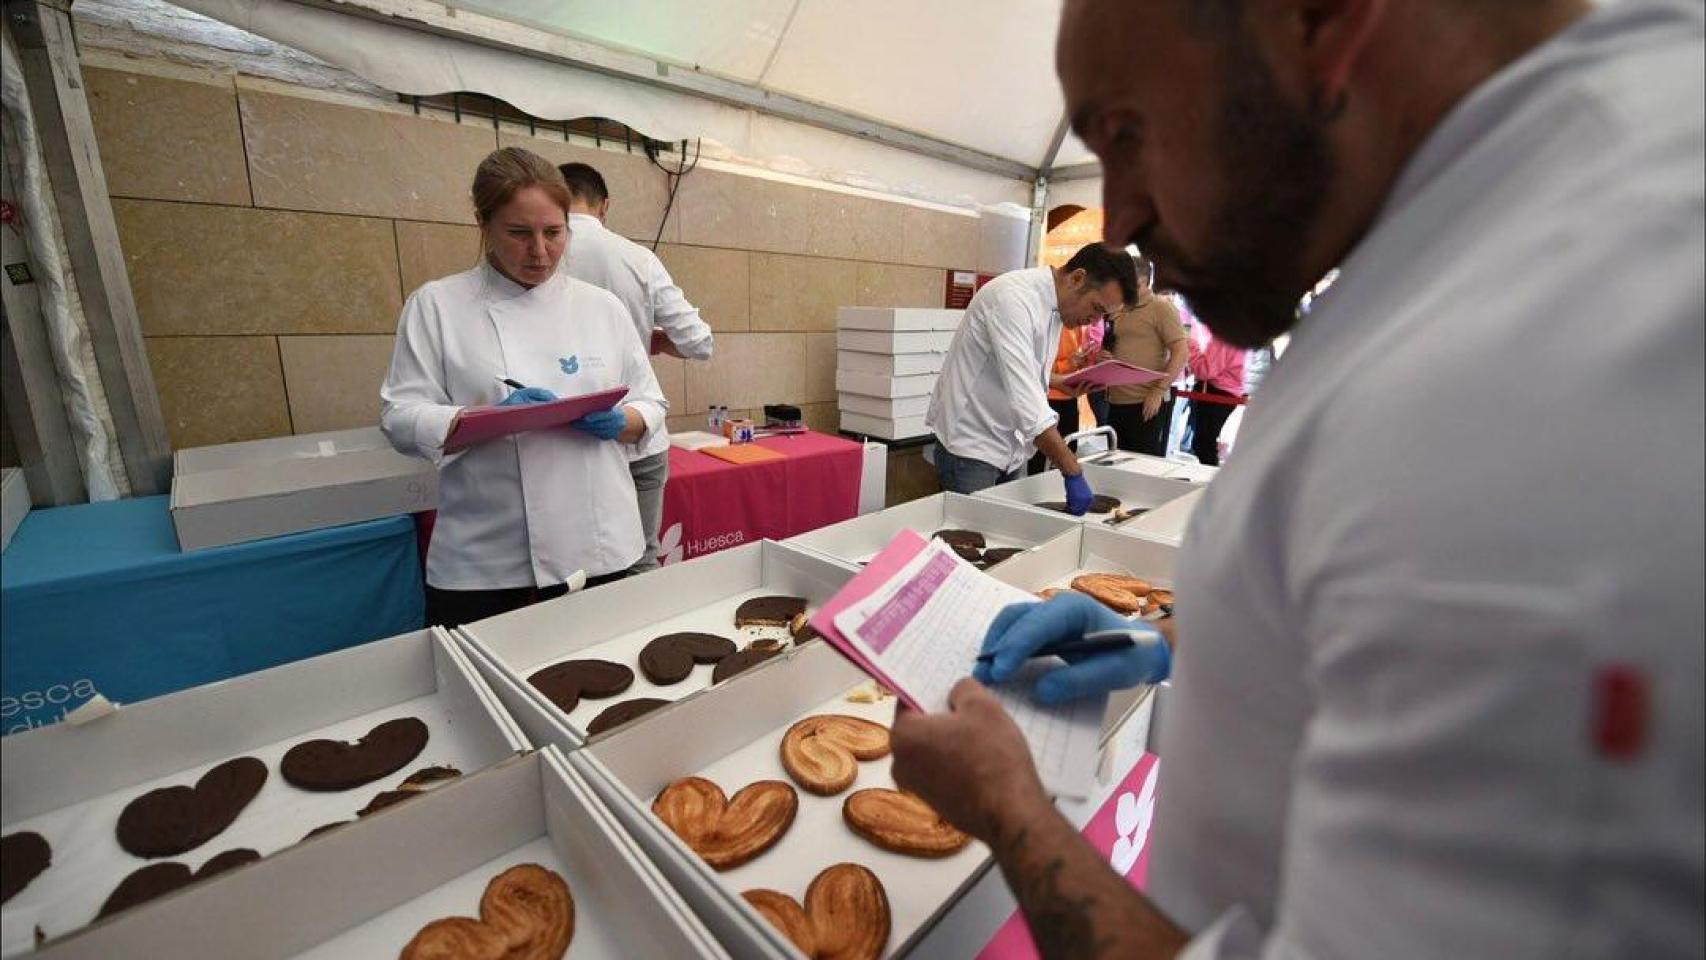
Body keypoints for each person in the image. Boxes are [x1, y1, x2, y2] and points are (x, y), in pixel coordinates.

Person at [892, 1, 1704, 958]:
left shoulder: (1555, 359)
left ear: (1321, 19)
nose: (1121, 217)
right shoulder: (1482, 219)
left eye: (1129, 133)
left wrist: (1011, 811)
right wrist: (1171, 640)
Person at [381, 147, 669, 628]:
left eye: (554, 233)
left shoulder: (602, 307)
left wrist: (624, 421)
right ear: (483, 224)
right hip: (490, 559)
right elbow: (398, 416)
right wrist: (483, 420)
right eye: (519, 233)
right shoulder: (437, 305)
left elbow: (651, 401)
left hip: (599, 546)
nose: (540, 251)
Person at [556, 161, 715, 573]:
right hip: (637, 436)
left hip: (565, 441)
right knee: (641, 559)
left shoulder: (536, 261)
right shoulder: (636, 259)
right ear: (604, 205)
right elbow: (699, 341)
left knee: (570, 568)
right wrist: (655, 340)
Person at [927, 244, 1138, 511]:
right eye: (1096, 308)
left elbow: (1021, 367)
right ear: (1077, 278)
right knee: (977, 538)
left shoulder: (1056, 307)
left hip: (1012, 446)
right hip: (972, 447)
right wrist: (1072, 471)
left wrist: (1058, 381)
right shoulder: (1012, 299)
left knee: (1012, 536)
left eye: (1102, 315)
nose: (1093, 321)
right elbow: (1027, 406)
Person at [1105, 256, 1188, 456]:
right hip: (1116, 401)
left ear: (1143, 282)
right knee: (1115, 461)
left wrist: (1158, 391)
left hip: (1145, 403)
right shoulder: (1119, 308)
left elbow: (1181, 351)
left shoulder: (1161, 307)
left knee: (1142, 464)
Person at [1028, 323, 1100, 474]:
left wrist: (1084, 360)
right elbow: (1036, 368)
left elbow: (1076, 356)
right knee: (1042, 456)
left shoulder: (1077, 323)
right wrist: (1067, 364)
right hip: (1046, 397)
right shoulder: (1047, 323)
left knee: (1068, 447)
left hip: (1069, 395)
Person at [1184, 320, 1246, 466]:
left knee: (1204, 445)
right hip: (1232, 392)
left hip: (1216, 392)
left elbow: (1205, 370)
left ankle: (1209, 484)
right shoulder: (1242, 334)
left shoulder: (1225, 336)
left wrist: (1191, 345)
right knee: (1207, 443)